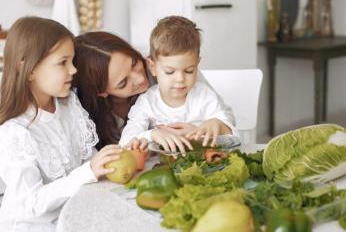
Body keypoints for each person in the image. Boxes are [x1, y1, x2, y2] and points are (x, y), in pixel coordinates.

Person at [0, 17, 121, 232]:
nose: (74, 70)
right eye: (62, 62)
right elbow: (34, 203)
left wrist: (112, 161)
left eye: (72, 61)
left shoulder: (69, 105)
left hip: (76, 215)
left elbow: (89, 159)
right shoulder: (14, 133)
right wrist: (88, 172)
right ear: (28, 69)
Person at [73, 27, 237, 151]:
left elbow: (224, 119)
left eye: (134, 63)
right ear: (102, 92)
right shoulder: (88, 115)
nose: (140, 78)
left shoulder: (173, 66)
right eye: (123, 82)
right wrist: (152, 135)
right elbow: (126, 144)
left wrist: (206, 127)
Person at [119, 16, 239, 155]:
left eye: (189, 71)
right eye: (169, 72)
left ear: (197, 64)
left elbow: (234, 139)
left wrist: (219, 126)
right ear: (153, 67)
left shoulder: (205, 96)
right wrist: (153, 135)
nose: (180, 79)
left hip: (201, 165)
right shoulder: (147, 102)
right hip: (160, 169)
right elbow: (124, 142)